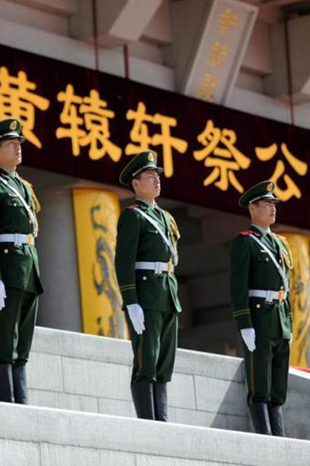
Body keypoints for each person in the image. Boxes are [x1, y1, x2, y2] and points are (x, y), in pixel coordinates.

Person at [0, 118, 42, 404]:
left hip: (28, 268)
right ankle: (6, 399)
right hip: (7, 266)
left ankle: (20, 400)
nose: (18, 148)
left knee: (23, 341)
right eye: (11, 144)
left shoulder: (25, 186)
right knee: (4, 338)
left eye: (19, 143)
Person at [115, 151, 181, 421]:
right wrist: (131, 301)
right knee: (146, 359)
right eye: (150, 176)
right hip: (146, 294)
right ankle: (147, 420)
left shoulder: (165, 217)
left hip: (167, 293)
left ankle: (161, 420)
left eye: (157, 176)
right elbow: (123, 261)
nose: (156, 180)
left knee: (164, 361)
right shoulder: (133, 216)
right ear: (136, 183)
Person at [229, 180, 293, 436]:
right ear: (253, 208)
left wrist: (288, 319)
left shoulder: (280, 243)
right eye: (267, 204)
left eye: (274, 203)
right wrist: (245, 324)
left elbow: (287, 286)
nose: (272, 208)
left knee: (278, 385)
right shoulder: (246, 242)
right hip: (260, 317)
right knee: (260, 384)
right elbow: (237, 287)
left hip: (279, 319)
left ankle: (278, 434)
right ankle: (265, 435)